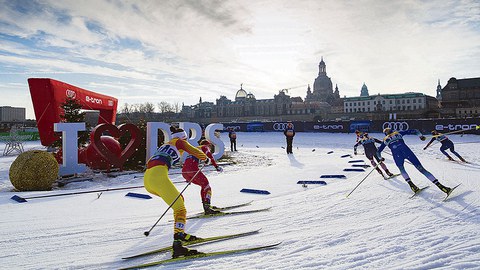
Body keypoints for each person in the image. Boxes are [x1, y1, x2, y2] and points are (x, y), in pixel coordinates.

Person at [144, 126, 208, 258]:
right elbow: (194, 151)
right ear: (183, 137)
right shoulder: (180, 141)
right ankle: (178, 245)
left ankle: (181, 233)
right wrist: (204, 158)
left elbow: (151, 161)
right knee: (180, 209)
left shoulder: (165, 145)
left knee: (179, 201)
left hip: (148, 180)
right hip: (158, 177)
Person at [376, 128, 452, 195]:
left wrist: (380, 158)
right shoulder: (397, 133)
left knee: (402, 170)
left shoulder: (385, 140)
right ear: (392, 130)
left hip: (397, 156)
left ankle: (412, 186)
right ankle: (442, 187)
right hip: (407, 152)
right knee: (422, 169)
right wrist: (420, 136)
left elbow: (378, 152)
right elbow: (415, 130)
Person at [182, 139, 223, 215]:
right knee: (207, 187)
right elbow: (210, 157)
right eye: (210, 146)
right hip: (192, 169)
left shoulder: (195, 149)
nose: (210, 148)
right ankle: (207, 207)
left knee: (203, 186)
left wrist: (188, 178)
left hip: (185, 172)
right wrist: (216, 167)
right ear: (207, 145)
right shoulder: (204, 147)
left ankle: (206, 206)